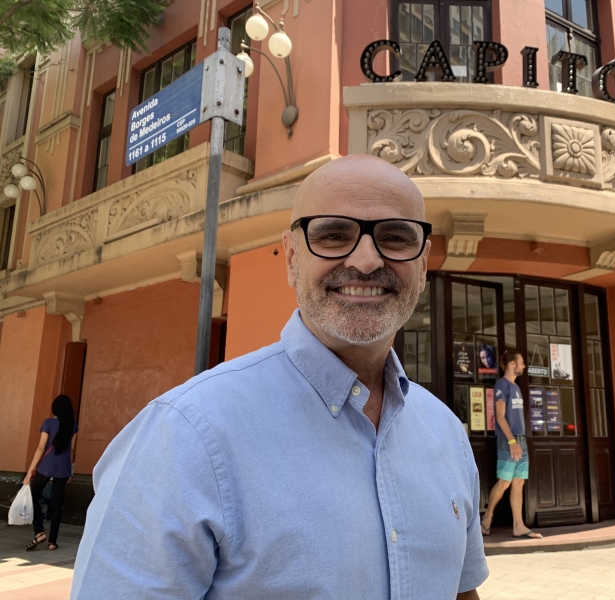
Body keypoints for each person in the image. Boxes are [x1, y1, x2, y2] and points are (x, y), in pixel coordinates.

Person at [71, 155, 488, 600]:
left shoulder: (446, 432)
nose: (366, 261)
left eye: (395, 237)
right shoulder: (184, 434)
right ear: (291, 256)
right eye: (333, 234)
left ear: (422, 265)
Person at [480, 351, 542, 540]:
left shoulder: (516, 387)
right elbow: (500, 416)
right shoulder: (502, 385)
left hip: (520, 439)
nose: (524, 366)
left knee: (518, 482)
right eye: (521, 363)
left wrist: (519, 442)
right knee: (505, 482)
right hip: (509, 441)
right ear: (512, 364)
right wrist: (512, 442)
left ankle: (519, 525)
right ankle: (486, 520)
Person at [23, 394, 78, 552]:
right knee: (56, 504)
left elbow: (41, 448)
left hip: (46, 466)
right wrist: (69, 471)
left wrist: (29, 472)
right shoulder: (72, 425)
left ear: (55, 408)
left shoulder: (48, 423)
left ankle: (39, 531)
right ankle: (52, 542)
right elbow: (71, 449)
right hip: (62, 468)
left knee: (34, 493)